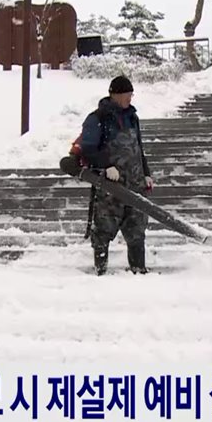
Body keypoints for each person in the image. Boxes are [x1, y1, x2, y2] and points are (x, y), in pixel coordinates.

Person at [78, 75, 155, 275]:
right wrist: (106, 165)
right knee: (103, 230)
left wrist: (146, 173)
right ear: (115, 95)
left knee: (137, 230)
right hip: (110, 187)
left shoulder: (132, 117)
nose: (130, 97)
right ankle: (100, 271)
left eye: (131, 94)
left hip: (135, 185)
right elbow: (88, 148)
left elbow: (139, 149)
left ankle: (139, 269)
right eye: (127, 94)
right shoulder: (98, 118)